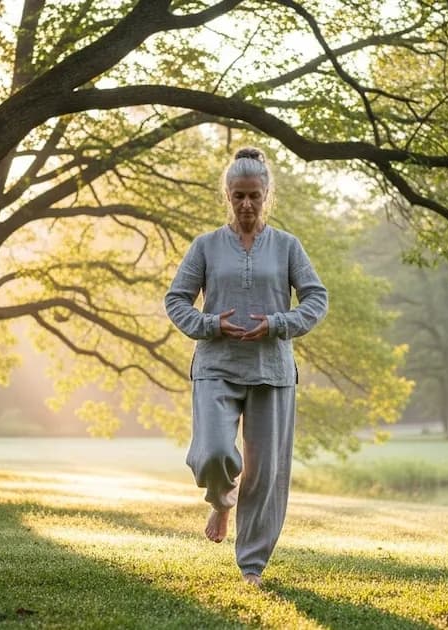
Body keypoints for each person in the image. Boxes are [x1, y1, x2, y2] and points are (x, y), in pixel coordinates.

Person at [164, 147, 328, 587]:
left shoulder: (288, 246)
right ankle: (221, 499)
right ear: (228, 196)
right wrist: (208, 324)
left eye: (254, 195)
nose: (247, 204)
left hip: (272, 371)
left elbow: (316, 298)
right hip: (216, 365)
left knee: (265, 474)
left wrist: (278, 324)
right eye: (239, 195)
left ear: (266, 195)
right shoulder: (206, 246)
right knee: (213, 453)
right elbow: (176, 300)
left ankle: (252, 566)